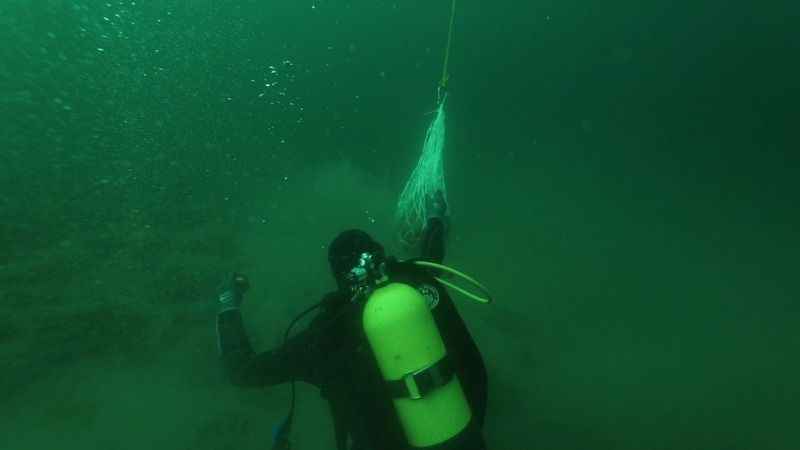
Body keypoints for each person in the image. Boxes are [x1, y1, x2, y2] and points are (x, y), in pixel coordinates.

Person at [215, 191, 488, 450]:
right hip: (464, 436)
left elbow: (244, 372)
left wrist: (228, 304)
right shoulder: (418, 282)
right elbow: (431, 256)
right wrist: (436, 219)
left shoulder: (326, 336)